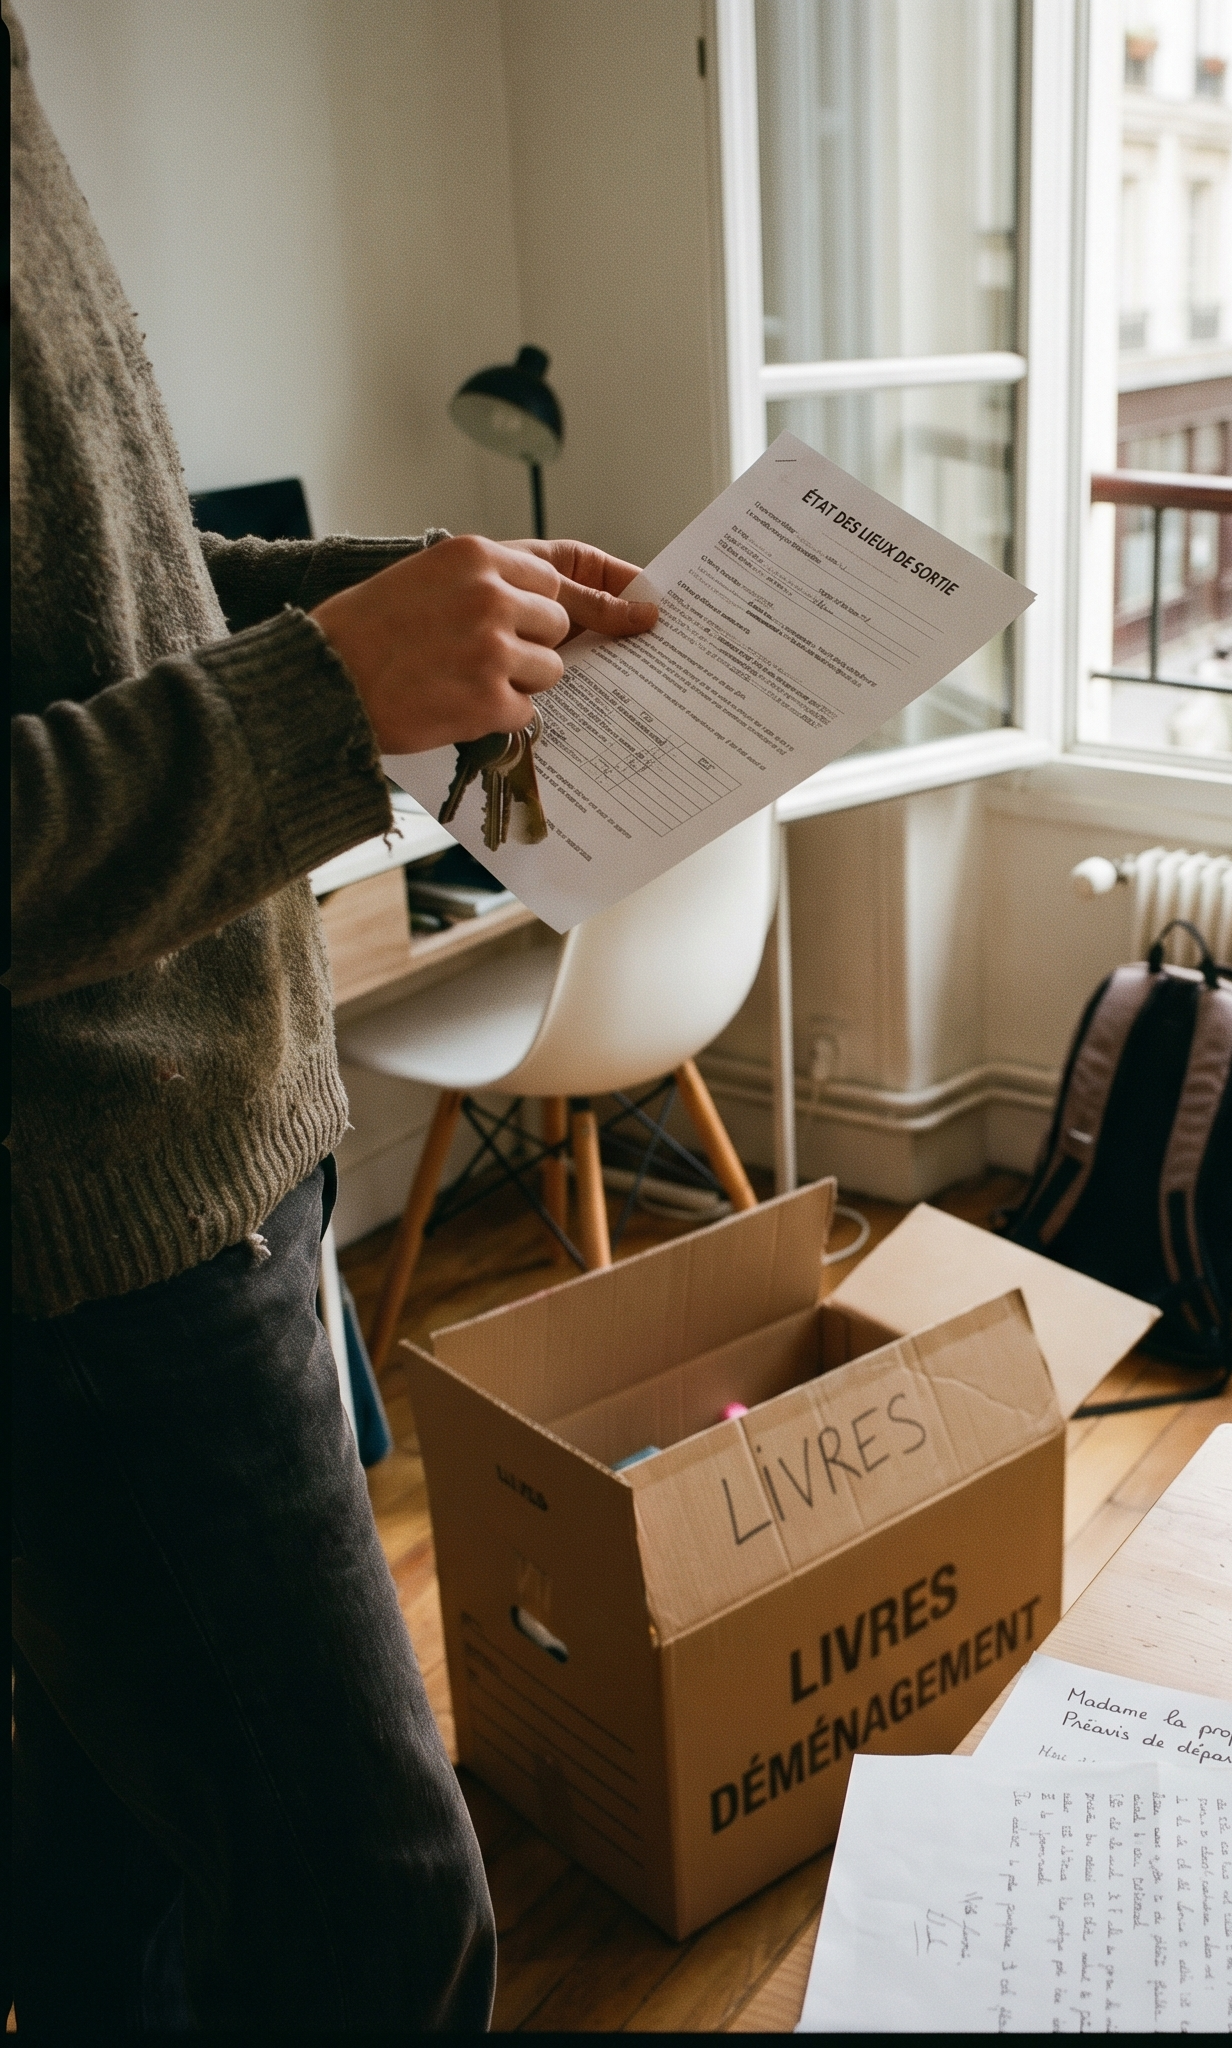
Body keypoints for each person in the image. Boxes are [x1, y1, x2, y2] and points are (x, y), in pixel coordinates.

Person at [9, 8, 658, 2027]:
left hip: (219, 1143)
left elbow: (95, 586)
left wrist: (417, 606)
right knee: (375, 1912)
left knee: (124, 1864)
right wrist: (331, 693)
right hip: (96, 1243)